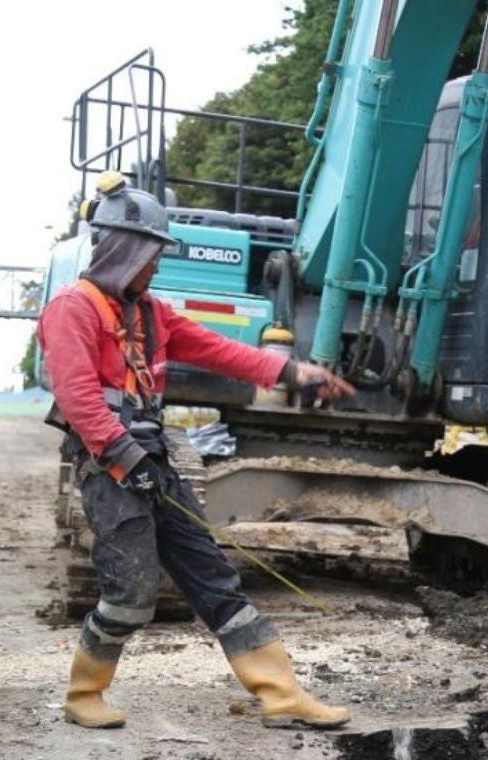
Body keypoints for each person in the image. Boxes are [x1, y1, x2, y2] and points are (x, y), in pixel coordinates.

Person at [37, 172, 355, 731]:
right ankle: (84, 695)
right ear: (121, 249)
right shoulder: (72, 309)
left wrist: (290, 372)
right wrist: (125, 459)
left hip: (153, 460)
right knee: (131, 595)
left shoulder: (151, 313)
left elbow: (219, 351)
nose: (156, 266)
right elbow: (80, 398)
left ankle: (282, 696)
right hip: (110, 468)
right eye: (151, 255)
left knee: (214, 579)